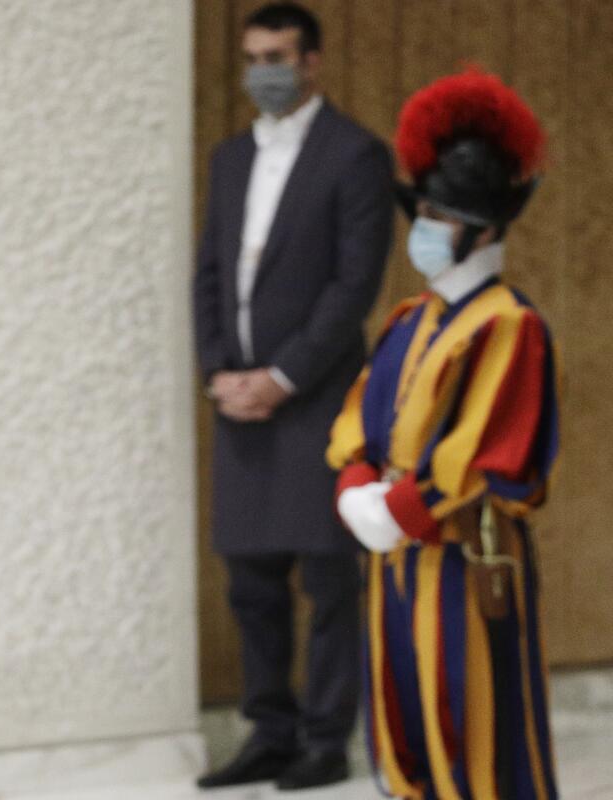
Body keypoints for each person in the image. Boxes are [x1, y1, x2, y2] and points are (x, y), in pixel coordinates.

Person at [327, 69, 559, 799]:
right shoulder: (408, 318)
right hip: (392, 562)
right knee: (402, 727)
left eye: (443, 215)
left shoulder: (509, 325)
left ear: (486, 228)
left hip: (461, 561)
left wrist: (389, 514)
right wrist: (356, 491)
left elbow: (479, 458)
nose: (426, 227)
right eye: (424, 209)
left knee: (474, 732)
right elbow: (355, 423)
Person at [192, 2, 393, 791]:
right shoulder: (229, 157)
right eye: (252, 58)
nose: (261, 73)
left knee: (329, 575)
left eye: (277, 55)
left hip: (314, 398)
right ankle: (268, 731)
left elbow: (353, 287)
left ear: (312, 62)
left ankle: (324, 738)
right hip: (235, 396)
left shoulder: (355, 156)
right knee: (251, 580)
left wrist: (281, 377)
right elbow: (209, 272)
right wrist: (218, 370)